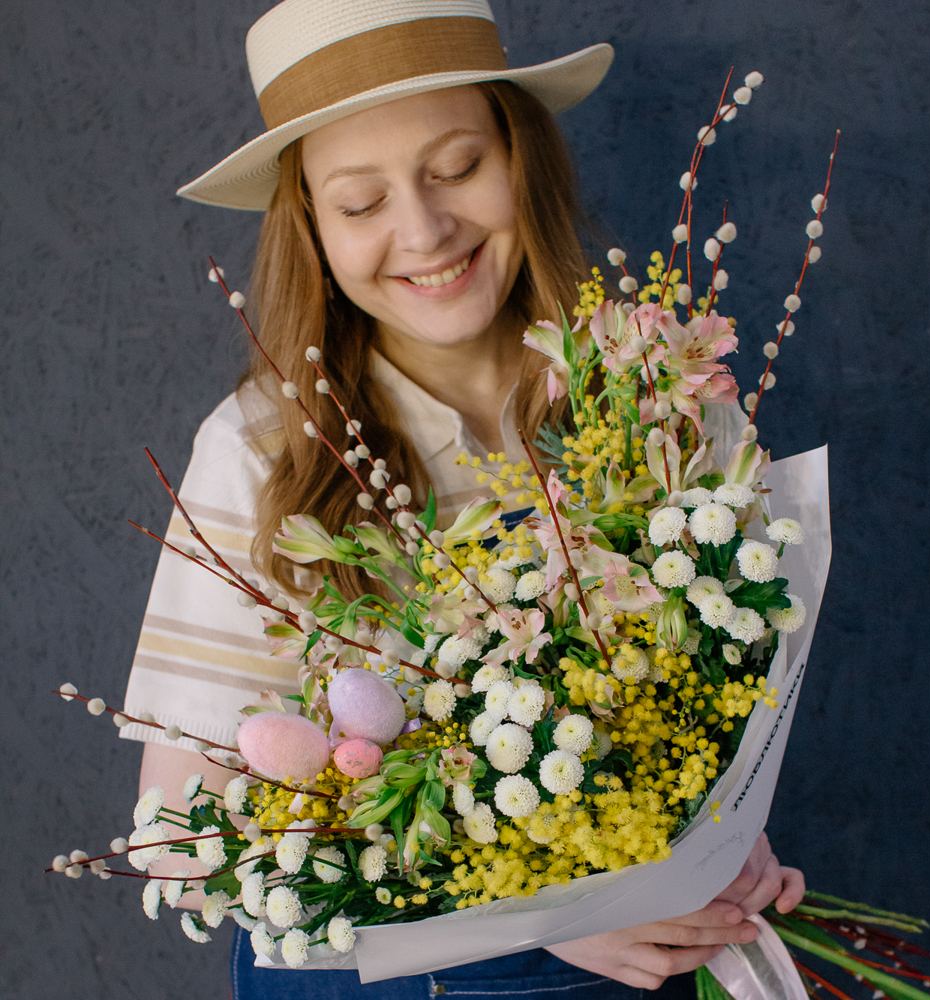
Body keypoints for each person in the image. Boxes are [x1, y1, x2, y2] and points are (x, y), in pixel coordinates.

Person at [121, 1, 805, 996]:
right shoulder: (266, 451)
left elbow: (718, 693)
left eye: (456, 167)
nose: (424, 229)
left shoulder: (656, 385)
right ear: (311, 228)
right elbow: (184, 841)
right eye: (361, 203)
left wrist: (721, 846)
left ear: (522, 158)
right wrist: (547, 909)